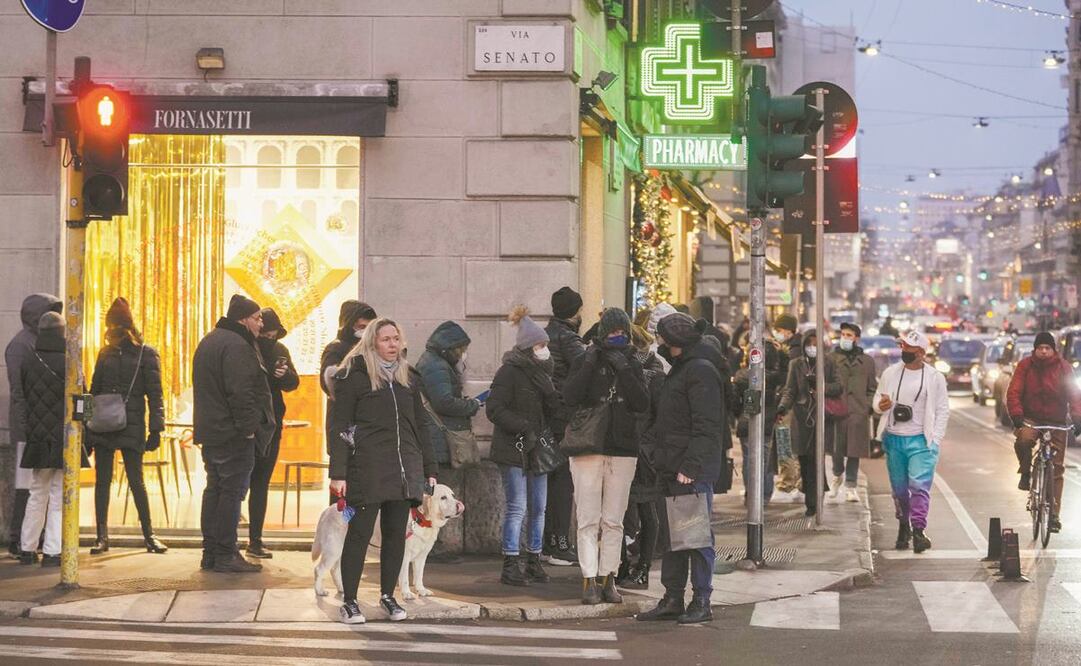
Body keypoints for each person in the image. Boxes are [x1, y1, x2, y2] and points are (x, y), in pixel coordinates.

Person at [328, 317, 437, 624]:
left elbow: (421, 425)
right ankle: (350, 601)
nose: (392, 344)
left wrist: (429, 467)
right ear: (372, 342)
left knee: (394, 536)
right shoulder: (353, 377)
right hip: (368, 468)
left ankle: (388, 596)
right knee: (359, 534)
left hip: (404, 469)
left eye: (396, 338)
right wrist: (339, 472)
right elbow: (341, 427)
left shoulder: (408, 378)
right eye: (386, 339)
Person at [637, 313, 726, 625]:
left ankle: (701, 600)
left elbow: (707, 425)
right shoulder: (682, 368)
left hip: (689, 470)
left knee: (695, 537)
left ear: (673, 341)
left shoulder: (699, 370)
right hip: (672, 465)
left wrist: (691, 466)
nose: (658, 342)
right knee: (675, 538)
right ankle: (673, 598)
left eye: (661, 337)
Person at [562, 308, 649, 605]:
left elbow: (641, 403)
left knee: (614, 520)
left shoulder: (633, 362)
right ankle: (588, 579)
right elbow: (570, 396)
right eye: (612, 332)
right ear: (602, 333)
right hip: (588, 447)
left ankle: (608, 577)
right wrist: (589, 362)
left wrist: (624, 369)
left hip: (623, 448)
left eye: (622, 332)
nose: (618, 337)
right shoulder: (586, 358)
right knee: (587, 518)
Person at [192, 294, 275, 573]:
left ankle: (211, 553)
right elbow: (241, 392)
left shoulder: (210, 341)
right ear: (243, 319)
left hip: (212, 431)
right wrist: (249, 429)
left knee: (215, 489)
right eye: (257, 318)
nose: (261, 323)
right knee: (231, 492)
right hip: (233, 434)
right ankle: (226, 553)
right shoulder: (238, 346)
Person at [86, 297, 168, 555]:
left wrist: (156, 428)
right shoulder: (105, 353)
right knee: (104, 482)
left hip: (130, 425)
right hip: (105, 424)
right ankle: (103, 536)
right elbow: (94, 390)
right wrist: (87, 429)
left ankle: (148, 534)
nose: (112, 331)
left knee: (135, 481)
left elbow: (155, 395)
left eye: (115, 326)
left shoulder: (145, 353)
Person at [486, 306, 559, 587]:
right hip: (513, 447)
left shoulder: (545, 374)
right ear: (529, 347)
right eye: (540, 345)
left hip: (538, 449)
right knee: (517, 506)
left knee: (539, 507)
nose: (545, 350)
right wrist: (523, 426)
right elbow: (495, 409)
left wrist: (551, 395)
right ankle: (510, 563)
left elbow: (553, 412)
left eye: (545, 345)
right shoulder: (509, 372)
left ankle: (533, 560)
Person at [873, 330, 949, 553]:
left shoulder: (934, 377)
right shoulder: (890, 373)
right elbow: (877, 399)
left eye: (909, 348)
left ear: (921, 352)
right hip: (894, 438)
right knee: (899, 489)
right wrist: (880, 406)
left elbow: (942, 410)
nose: (904, 350)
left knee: (919, 487)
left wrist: (935, 440)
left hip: (921, 442)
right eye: (902, 346)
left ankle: (918, 530)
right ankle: (903, 525)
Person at [1006, 331, 1081, 533]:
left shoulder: (1064, 367)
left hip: (1056, 421)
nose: (1044, 351)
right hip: (1031, 418)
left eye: (1048, 348)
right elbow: (1014, 391)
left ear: (1054, 350)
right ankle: (1025, 472)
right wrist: (1017, 415)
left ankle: (1054, 515)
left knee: (1056, 468)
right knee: (1023, 440)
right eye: (1040, 348)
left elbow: (1074, 394)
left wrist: (1077, 417)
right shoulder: (1025, 366)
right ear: (1035, 349)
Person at [5, 293, 62, 555]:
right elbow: (19, 393)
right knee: (37, 489)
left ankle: (26, 543)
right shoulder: (23, 346)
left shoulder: (30, 346)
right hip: (37, 432)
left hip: (35, 430)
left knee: (35, 489)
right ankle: (26, 542)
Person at [17, 312, 72, 566]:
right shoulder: (70, 361)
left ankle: (27, 549)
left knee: (37, 492)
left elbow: (23, 396)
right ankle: (52, 551)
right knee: (59, 495)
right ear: (62, 332)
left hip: (38, 437)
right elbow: (82, 399)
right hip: (63, 437)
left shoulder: (29, 359)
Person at [246, 308, 299, 559]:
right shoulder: (246, 349)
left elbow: (293, 382)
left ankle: (255, 539)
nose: (270, 338)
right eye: (266, 334)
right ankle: (229, 542)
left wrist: (284, 375)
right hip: (249, 423)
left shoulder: (279, 350)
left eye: (273, 335)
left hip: (272, 423)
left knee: (260, 483)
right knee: (240, 484)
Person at [616, 323, 665, 589]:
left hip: (644, 454)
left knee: (646, 509)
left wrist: (646, 446)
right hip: (624, 447)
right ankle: (623, 564)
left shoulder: (654, 375)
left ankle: (643, 567)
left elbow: (660, 417)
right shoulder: (625, 369)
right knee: (622, 510)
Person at [542, 286, 587, 566]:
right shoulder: (569, 339)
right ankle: (559, 542)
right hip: (564, 416)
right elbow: (584, 372)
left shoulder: (546, 334)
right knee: (562, 481)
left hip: (547, 415)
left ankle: (548, 542)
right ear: (574, 312)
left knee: (549, 480)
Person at [777, 330, 841, 517]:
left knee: (816, 459)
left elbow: (838, 386)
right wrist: (783, 407)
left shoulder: (829, 363)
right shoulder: (796, 364)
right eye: (809, 344)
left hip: (822, 417)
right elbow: (790, 390)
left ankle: (814, 501)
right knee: (804, 460)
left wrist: (820, 386)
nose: (812, 347)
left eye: (815, 344)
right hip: (801, 418)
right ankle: (812, 495)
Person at [416, 321, 481, 469]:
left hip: (440, 438)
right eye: (462, 350)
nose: (463, 354)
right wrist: (473, 405)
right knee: (447, 482)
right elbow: (444, 402)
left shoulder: (435, 362)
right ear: (451, 348)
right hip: (443, 440)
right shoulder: (436, 366)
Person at [829, 322, 878, 503]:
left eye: (849, 335)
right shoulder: (831, 359)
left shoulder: (867, 362)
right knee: (836, 449)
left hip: (858, 411)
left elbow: (872, 387)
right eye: (843, 334)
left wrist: (867, 405)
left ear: (856, 338)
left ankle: (851, 485)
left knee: (854, 450)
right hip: (836, 411)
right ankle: (837, 475)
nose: (845, 338)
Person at [732, 338, 785, 504]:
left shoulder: (741, 375)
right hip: (768, 423)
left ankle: (751, 494)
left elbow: (734, 401)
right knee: (765, 460)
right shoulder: (777, 378)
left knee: (749, 459)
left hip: (746, 421)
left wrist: (739, 414)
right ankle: (764, 495)